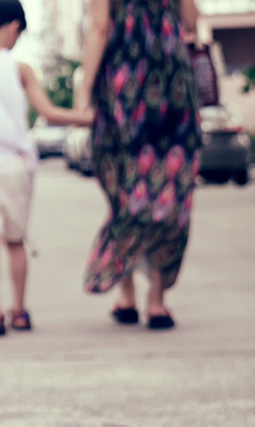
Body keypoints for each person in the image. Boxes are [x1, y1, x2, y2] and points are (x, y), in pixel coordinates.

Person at [0, 0, 95, 338]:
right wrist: (87, 118)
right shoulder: (20, 69)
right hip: (14, 166)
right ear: (14, 27)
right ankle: (19, 311)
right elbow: (48, 112)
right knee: (15, 241)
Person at [75, 0, 203, 330]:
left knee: (125, 194)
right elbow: (190, 19)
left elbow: (99, 28)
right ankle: (156, 301)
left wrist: (84, 91)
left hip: (126, 87)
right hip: (173, 85)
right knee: (170, 196)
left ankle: (127, 294)